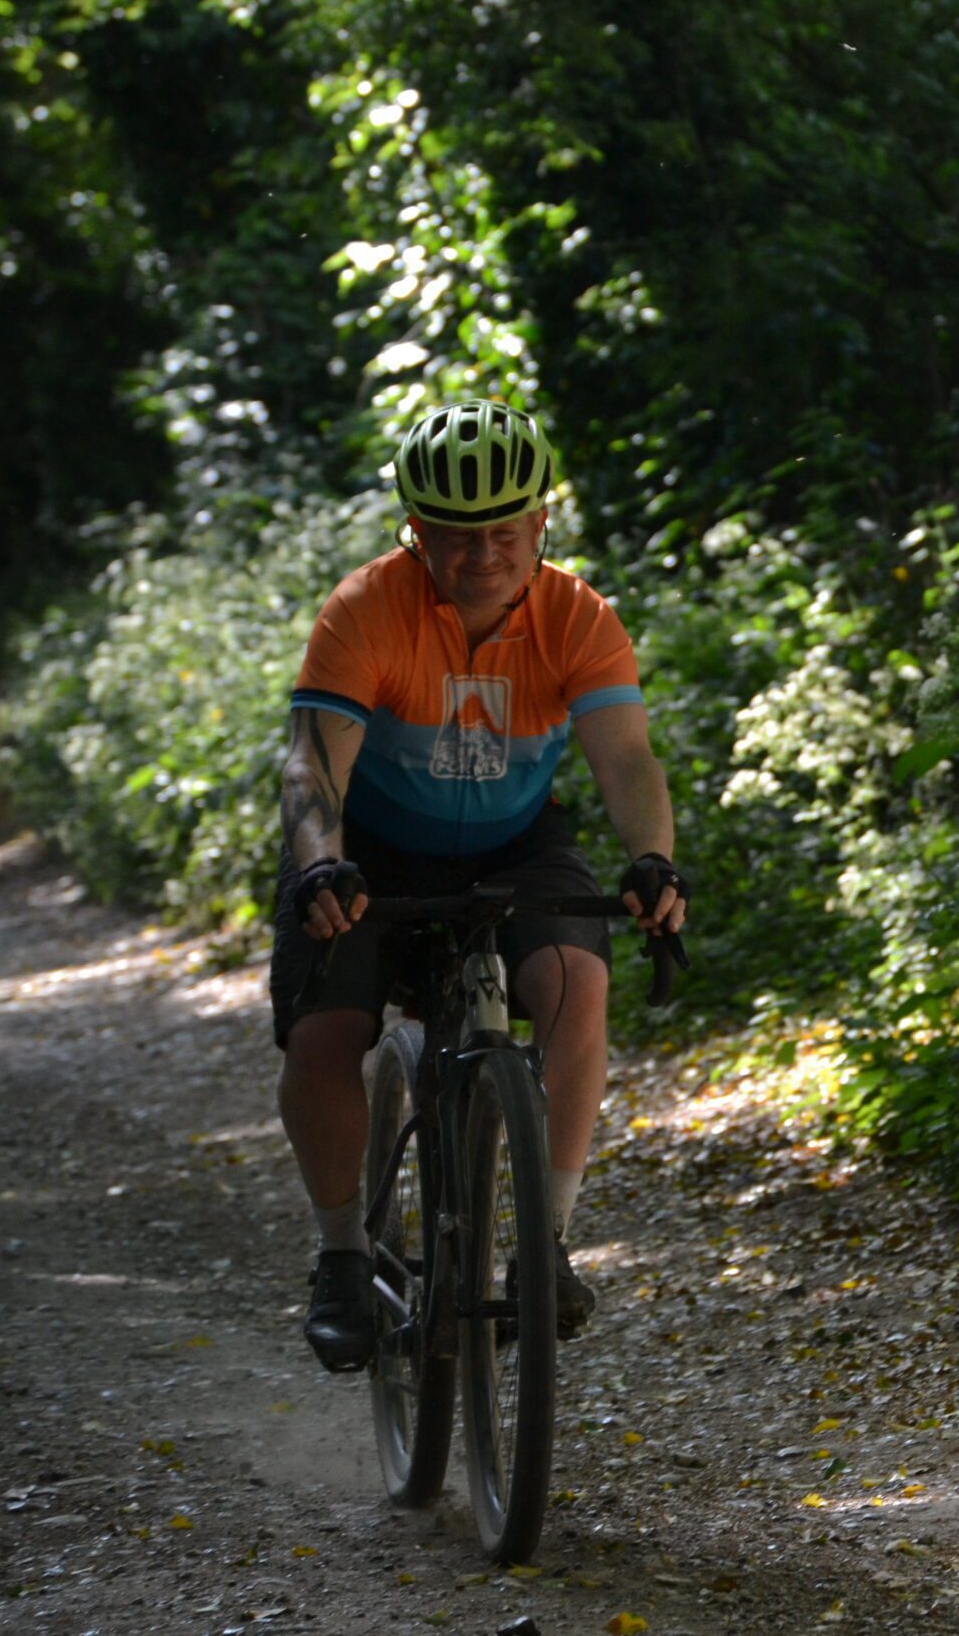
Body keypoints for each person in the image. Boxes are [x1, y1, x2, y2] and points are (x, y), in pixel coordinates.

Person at [270, 400, 687, 1373]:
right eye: (457, 533)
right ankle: (340, 1256)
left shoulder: (578, 617)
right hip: (369, 848)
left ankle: (546, 1243)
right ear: (415, 530)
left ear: (543, 521)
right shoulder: (365, 610)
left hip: (513, 842)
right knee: (326, 1026)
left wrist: (653, 858)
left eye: (506, 529)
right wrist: (320, 864)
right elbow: (312, 771)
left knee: (579, 985)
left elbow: (625, 760)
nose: (484, 553)